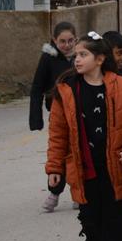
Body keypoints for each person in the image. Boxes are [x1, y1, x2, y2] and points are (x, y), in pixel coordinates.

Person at [45, 33, 122, 241]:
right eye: (76, 55)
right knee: (89, 218)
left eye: (83, 54)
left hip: (114, 165)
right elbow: (57, 133)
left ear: (100, 59)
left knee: (114, 216)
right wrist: (55, 167)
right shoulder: (66, 91)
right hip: (83, 167)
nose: (77, 59)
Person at [32, 22, 78, 212]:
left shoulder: (82, 56)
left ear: (76, 39)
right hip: (59, 114)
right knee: (59, 152)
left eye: (70, 40)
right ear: (54, 41)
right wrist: (36, 117)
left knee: (78, 153)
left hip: (80, 113)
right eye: (62, 41)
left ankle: (78, 192)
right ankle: (54, 192)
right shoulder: (48, 58)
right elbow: (37, 87)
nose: (67, 45)